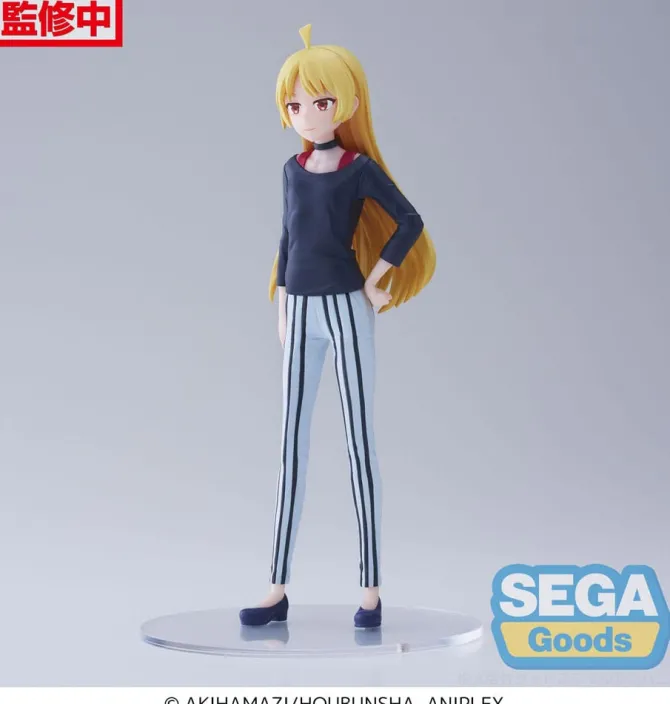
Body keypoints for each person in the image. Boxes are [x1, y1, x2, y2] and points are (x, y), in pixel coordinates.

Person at [239, 23, 436, 629]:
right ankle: (276, 588)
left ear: (344, 104)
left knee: (359, 445)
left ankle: (370, 591)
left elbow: (408, 220)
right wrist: (279, 304)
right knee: (289, 446)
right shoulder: (291, 168)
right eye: (295, 104)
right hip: (298, 309)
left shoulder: (358, 168)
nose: (306, 114)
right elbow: (287, 237)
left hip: (347, 308)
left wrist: (377, 280)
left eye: (319, 102)